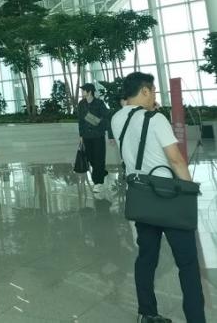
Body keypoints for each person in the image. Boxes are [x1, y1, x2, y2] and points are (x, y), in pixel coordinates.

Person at [110, 72, 205, 323]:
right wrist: (190, 191)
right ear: (144, 91)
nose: (154, 95)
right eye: (152, 91)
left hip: (141, 197)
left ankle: (147, 314)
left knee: (146, 258)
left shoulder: (117, 119)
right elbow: (176, 160)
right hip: (168, 198)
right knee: (187, 264)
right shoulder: (156, 119)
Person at [77, 82, 110, 194]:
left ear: (89, 91)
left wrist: (96, 121)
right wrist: (81, 135)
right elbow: (80, 120)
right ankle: (101, 171)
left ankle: (98, 182)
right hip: (86, 136)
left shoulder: (99, 103)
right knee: (90, 158)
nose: (82, 92)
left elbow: (106, 117)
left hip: (98, 135)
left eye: (83, 90)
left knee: (99, 158)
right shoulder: (81, 104)